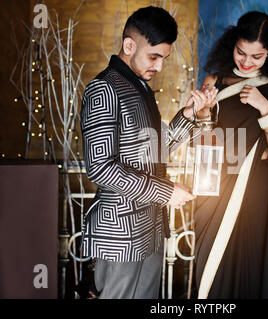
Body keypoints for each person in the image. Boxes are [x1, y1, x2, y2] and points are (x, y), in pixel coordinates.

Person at [80, 6, 217, 299]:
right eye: (154, 56)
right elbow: (101, 168)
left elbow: (157, 149)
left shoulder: (139, 88)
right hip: (120, 236)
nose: (159, 66)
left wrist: (193, 113)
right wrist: (166, 193)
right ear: (129, 45)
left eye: (163, 58)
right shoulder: (103, 90)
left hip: (152, 231)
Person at [193, 11, 268, 298]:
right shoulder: (215, 82)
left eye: (256, 56)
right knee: (211, 271)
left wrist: (265, 109)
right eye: (241, 52)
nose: (245, 61)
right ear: (233, 43)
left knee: (251, 272)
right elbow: (201, 144)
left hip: (257, 197)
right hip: (216, 193)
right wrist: (203, 113)